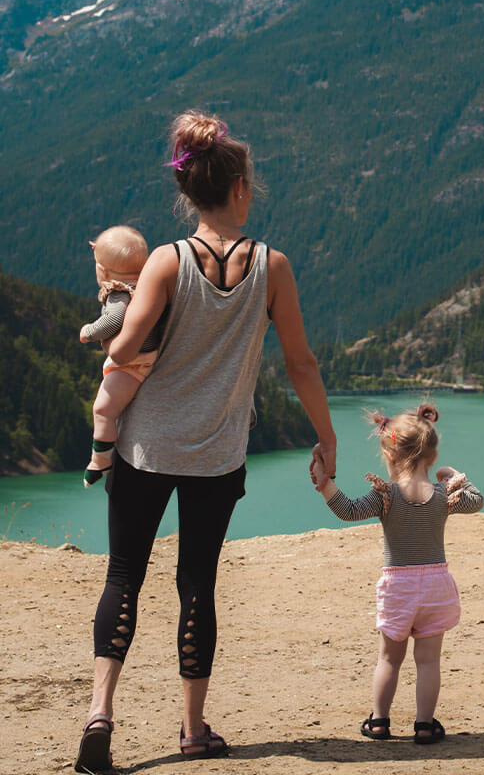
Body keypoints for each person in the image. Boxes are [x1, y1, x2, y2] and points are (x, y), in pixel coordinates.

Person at [74, 110, 338, 774]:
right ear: (242, 188)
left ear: (189, 192)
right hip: (217, 456)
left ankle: (100, 714)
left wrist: (114, 338)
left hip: (145, 449)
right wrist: (327, 435)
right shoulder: (272, 267)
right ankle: (193, 731)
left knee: (123, 575)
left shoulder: (165, 261)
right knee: (198, 584)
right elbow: (301, 363)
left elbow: (128, 344)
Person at [311, 403, 483, 745]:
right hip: (436, 587)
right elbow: (477, 500)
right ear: (431, 458)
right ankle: (424, 725)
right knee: (429, 661)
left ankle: (379, 722)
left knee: (389, 658)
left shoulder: (386, 496)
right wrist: (455, 476)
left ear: (389, 455)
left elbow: (348, 510)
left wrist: (325, 484)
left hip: (399, 589)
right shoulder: (443, 495)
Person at [79, 226, 162, 487]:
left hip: (133, 364)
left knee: (103, 409)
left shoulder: (119, 292)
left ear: (101, 270)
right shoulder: (150, 285)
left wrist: (88, 331)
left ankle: (100, 460)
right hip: (153, 356)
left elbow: (113, 321)